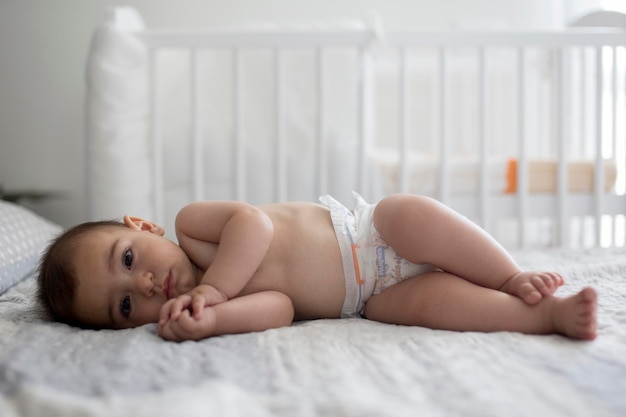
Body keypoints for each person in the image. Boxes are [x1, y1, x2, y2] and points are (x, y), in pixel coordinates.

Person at [37, 193, 598, 342]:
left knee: (412, 213)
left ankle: (507, 276)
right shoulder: (214, 303)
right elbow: (281, 309)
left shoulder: (191, 227)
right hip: (366, 298)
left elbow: (254, 225)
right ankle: (542, 317)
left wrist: (215, 288)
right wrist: (214, 319)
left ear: (143, 227)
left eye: (129, 259)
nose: (143, 283)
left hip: (368, 233)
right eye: (126, 305)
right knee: (428, 308)